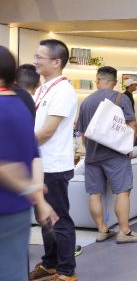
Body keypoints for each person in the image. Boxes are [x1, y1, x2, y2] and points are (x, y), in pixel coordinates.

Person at [0, 46, 58, 281]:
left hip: (4, 206)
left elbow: (4, 167)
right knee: (13, 270)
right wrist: (39, 199)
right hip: (19, 209)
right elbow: (34, 155)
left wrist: (28, 188)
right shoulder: (22, 103)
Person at [76, 66, 137, 245]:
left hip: (92, 156)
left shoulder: (86, 102)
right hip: (116, 154)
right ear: (115, 82)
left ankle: (102, 230)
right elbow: (132, 124)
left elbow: (82, 133)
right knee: (122, 191)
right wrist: (129, 146)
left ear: (97, 80)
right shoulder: (121, 98)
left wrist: (89, 149)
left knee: (95, 193)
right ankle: (124, 231)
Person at [29, 39, 78, 281]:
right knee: (45, 217)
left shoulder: (63, 90)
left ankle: (67, 271)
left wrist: (21, 146)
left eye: (40, 57)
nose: (35, 61)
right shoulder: (43, 88)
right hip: (41, 163)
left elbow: (48, 130)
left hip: (54, 165)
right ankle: (50, 263)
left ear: (57, 62)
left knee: (59, 218)